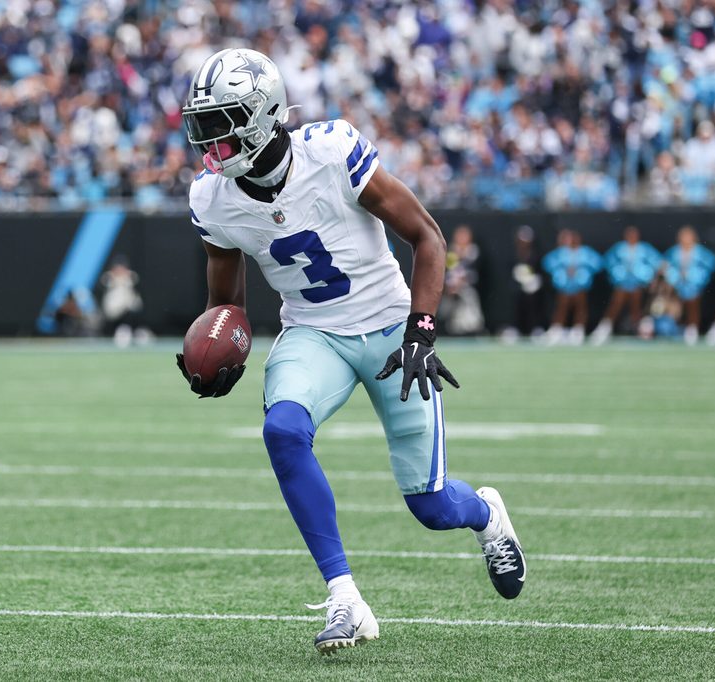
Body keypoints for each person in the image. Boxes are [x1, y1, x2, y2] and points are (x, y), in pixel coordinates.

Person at [175, 48, 526, 655]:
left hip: (393, 327)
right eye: (202, 124)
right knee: (283, 430)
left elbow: (426, 235)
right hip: (314, 332)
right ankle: (346, 598)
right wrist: (222, 349)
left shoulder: (332, 150)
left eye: (222, 122)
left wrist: (422, 327)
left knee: (434, 506)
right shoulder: (214, 198)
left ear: (261, 118)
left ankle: (487, 516)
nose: (210, 142)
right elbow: (226, 303)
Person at [591, 226, 661, 345]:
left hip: (639, 284)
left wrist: (651, 279)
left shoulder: (645, 249)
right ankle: (606, 327)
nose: (632, 237)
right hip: (622, 284)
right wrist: (617, 275)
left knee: (637, 303)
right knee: (617, 301)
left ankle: (640, 328)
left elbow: (658, 263)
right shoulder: (619, 249)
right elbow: (608, 262)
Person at [541, 229, 602, 345]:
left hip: (580, 285)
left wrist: (582, 269)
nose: (573, 241)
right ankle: (556, 330)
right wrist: (562, 270)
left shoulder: (585, 252)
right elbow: (547, 263)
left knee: (581, 307)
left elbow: (598, 263)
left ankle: (578, 331)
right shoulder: (561, 252)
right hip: (565, 286)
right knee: (562, 307)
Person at [663, 226, 715, 345]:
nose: (685, 239)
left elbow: (710, 265)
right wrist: (674, 277)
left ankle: (692, 328)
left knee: (693, 298)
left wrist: (694, 276)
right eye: (683, 236)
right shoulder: (674, 251)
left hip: (695, 285)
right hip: (677, 285)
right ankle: (676, 328)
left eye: (688, 236)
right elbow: (665, 265)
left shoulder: (701, 252)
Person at [438, 225, 485, 335]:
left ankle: (473, 328)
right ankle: (446, 327)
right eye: (459, 236)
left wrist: (461, 282)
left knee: (469, 298)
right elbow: (448, 271)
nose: (461, 238)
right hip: (451, 289)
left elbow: (475, 274)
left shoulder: (474, 252)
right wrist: (451, 284)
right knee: (446, 304)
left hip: (468, 289)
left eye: (464, 236)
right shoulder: (451, 252)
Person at [503, 225, 545, 342]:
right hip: (517, 285)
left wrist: (534, 281)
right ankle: (514, 327)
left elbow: (539, 272)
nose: (524, 243)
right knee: (516, 297)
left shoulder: (536, 255)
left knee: (533, 298)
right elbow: (510, 271)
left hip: (533, 286)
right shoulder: (513, 254)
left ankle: (536, 328)